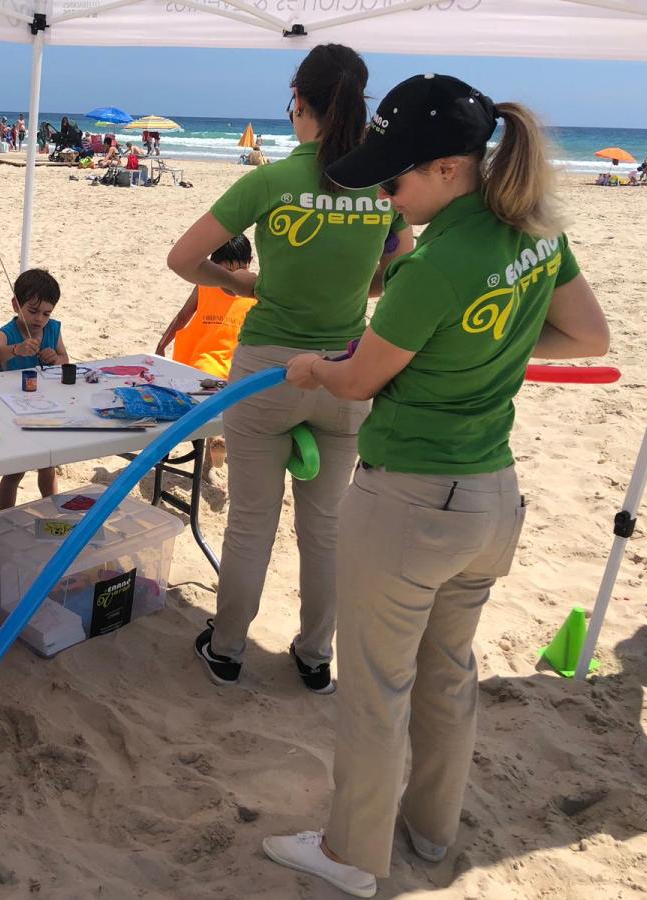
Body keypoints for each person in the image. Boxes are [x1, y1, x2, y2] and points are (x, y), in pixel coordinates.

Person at [259, 73, 610, 899]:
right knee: (449, 673)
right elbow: (586, 334)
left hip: (412, 501)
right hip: (492, 497)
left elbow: (355, 382)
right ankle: (428, 831)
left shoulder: (437, 264)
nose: (386, 194)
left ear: (450, 169)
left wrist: (308, 365)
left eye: (396, 178)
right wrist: (490, 352)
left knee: (376, 691)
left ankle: (351, 858)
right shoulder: (534, 234)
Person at [167, 43, 414, 693]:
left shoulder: (271, 180)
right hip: (346, 374)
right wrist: (356, 282)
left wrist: (246, 286)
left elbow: (183, 258)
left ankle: (226, 650)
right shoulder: (385, 185)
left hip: (268, 369)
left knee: (251, 522)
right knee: (326, 526)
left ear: (301, 103)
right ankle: (313, 656)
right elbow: (398, 278)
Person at [157, 235, 257, 483]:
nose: (234, 278)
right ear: (213, 268)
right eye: (226, 271)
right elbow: (183, 317)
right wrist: (162, 345)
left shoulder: (256, 291)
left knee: (239, 402)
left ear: (250, 263)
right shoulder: (205, 285)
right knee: (209, 397)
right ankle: (215, 444)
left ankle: (214, 454)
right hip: (204, 359)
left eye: (239, 270)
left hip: (237, 360)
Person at [0, 269, 68, 509]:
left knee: (48, 463)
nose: (39, 319)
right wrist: (15, 350)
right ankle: (5, 515)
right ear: (15, 305)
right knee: (15, 470)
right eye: (33, 311)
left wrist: (55, 358)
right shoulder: (7, 333)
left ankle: (51, 507)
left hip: (43, 405)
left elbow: (66, 359)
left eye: (46, 313)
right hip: (11, 406)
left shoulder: (53, 329)